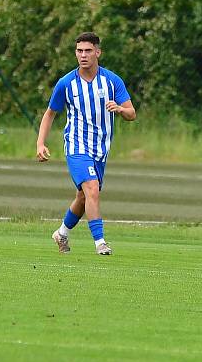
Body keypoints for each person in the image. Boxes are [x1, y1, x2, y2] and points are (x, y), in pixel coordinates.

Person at [35, 32, 136, 255]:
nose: (83, 55)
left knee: (84, 196)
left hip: (101, 149)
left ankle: (61, 233)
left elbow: (131, 113)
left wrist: (120, 109)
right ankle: (100, 242)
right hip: (76, 145)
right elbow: (50, 113)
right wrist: (41, 143)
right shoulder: (66, 83)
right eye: (79, 51)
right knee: (91, 189)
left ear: (98, 52)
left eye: (88, 51)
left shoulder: (112, 81)